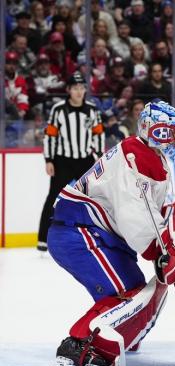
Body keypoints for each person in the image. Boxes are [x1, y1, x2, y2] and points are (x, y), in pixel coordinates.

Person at [47, 101, 175, 366]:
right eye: (168, 131)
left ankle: (120, 330)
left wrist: (166, 244)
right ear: (153, 130)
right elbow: (135, 216)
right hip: (80, 233)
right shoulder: (139, 156)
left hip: (97, 234)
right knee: (127, 296)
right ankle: (79, 345)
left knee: (138, 290)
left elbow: (144, 213)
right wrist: (161, 253)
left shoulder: (146, 154)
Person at [37, 73, 104, 252]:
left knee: (92, 198)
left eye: (82, 88)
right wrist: (49, 159)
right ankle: (43, 239)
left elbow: (98, 134)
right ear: (68, 90)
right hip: (63, 161)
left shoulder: (92, 110)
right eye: (75, 88)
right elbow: (50, 136)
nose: (79, 92)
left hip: (85, 160)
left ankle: (96, 235)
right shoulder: (58, 109)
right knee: (53, 198)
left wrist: (98, 156)